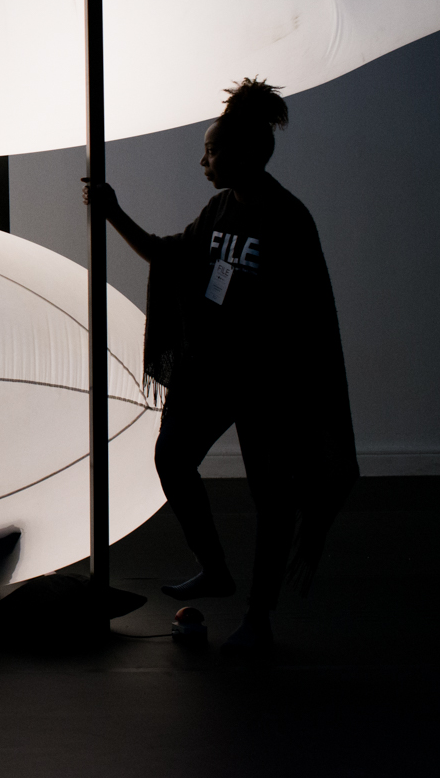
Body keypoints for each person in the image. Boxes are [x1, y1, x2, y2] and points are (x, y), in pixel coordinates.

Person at [84, 79, 357, 655]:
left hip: (267, 383)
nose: (202, 161)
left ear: (242, 154)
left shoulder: (287, 218)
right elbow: (168, 254)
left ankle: (258, 617)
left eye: (210, 151)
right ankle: (215, 568)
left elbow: (308, 313)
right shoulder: (220, 208)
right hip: (211, 372)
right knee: (172, 457)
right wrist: (113, 212)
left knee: (272, 498)